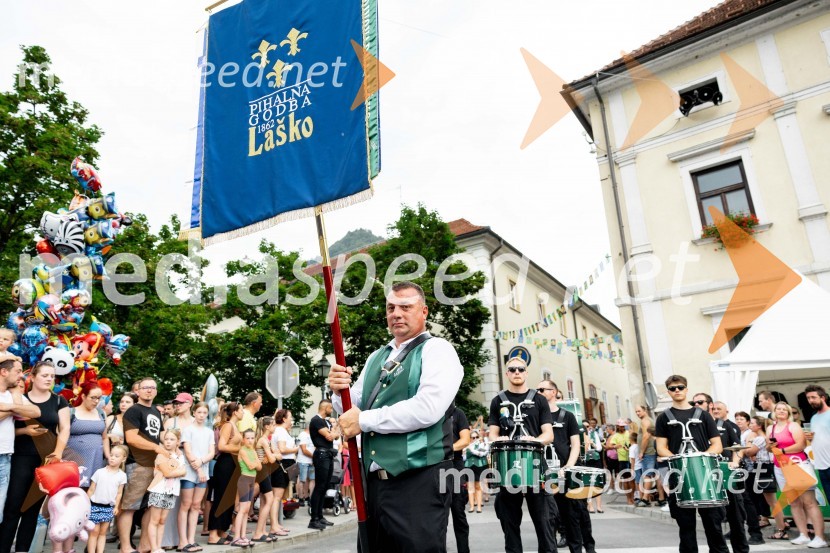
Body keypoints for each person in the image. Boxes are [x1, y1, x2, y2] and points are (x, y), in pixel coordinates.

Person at [328, 281, 463, 552]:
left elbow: (427, 408)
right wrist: (336, 389)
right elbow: (350, 407)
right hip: (376, 487)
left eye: (405, 307)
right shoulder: (377, 356)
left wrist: (364, 420)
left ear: (423, 311)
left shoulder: (438, 350)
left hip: (419, 482)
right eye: (391, 307)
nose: (396, 313)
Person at [0, 360, 69, 553]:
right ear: (33, 377)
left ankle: (23, 550)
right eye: (45, 375)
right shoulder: (20, 398)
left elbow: (64, 429)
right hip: (21, 457)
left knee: (32, 509)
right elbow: (9, 429)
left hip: (46, 459)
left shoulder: (58, 400)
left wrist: (58, 452)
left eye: (52, 376)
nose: (49, 379)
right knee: (13, 507)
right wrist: (25, 432)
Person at [484, 361, 554, 553]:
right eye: (512, 369)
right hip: (507, 465)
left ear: (526, 372)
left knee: (544, 522)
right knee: (510, 523)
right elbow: (492, 434)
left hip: (535, 464)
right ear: (507, 373)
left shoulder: (539, 400)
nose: (517, 372)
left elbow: (548, 434)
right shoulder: (498, 400)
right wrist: (500, 439)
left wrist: (535, 440)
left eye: (520, 369)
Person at [654, 375, 727, 553]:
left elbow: (717, 445)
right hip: (679, 476)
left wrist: (700, 458)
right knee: (686, 527)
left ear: (686, 389)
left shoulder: (703, 415)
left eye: (680, 387)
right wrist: (680, 462)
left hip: (705, 475)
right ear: (668, 392)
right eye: (672, 388)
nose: (677, 390)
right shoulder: (664, 418)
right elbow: (661, 448)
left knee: (713, 525)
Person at [538, 379, 594, 553]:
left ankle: (587, 548)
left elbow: (576, 444)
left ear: (553, 392)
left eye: (542, 389)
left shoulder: (567, 416)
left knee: (577, 513)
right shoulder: (537, 417)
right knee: (552, 516)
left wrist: (568, 466)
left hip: (568, 470)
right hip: (547, 473)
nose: (538, 392)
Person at [767, 401, 824, 547]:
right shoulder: (770, 428)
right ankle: (803, 534)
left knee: (809, 502)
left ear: (788, 413)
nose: (781, 411)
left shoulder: (793, 426)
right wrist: (771, 447)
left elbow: (801, 445)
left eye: (784, 409)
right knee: (794, 502)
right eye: (778, 409)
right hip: (780, 467)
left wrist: (783, 451)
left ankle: (820, 537)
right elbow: (769, 448)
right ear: (774, 412)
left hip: (798, 465)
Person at [117, 377, 165, 553]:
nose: (149, 390)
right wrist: (155, 448)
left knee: (150, 508)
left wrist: (172, 449)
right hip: (137, 464)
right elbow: (132, 438)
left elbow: (160, 435)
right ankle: (126, 548)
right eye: (146, 388)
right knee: (129, 507)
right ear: (137, 391)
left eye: (153, 388)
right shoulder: (133, 411)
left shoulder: (156, 411)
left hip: (156, 467)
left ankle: (144, 546)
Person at [708, 399, 752, 550]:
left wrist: (735, 462)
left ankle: (743, 546)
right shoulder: (698, 426)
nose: (715, 411)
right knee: (714, 516)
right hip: (709, 475)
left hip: (728, 472)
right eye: (714, 409)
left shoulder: (728, 426)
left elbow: (737, 447)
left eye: (718, 408)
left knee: (737, 513)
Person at [0, 358, 39, 524]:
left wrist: (9, 406)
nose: (21, 376)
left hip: (5, 457)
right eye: (17, 371)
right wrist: (15, 410)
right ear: (4, 372)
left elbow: (35, 412)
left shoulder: (12, 395)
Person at [179, 402, 215, 552]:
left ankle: (191, 540)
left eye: (204, 413)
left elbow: (211, 452)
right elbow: (188, 452)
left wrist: (201, 464)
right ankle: (183, 541)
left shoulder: (209, 432)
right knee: (185, 505)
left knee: (195, 506)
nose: (201, 415)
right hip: (190, 472)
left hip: (203, 471)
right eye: (199, 412)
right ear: (194, 413)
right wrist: (198, 469)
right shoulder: (188, 430)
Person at [207, 402, 242, 545]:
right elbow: (221, 446)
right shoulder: (228, 426)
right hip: (225, 464)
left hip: (232, 464)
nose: (243, 413)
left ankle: (222, 530)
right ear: (235, 412)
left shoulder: (234, 426)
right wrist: (238, 448)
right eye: (241, 410)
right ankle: (213, 534)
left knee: (228, 500)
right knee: (221, 498)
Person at [146, 429, 187, 553]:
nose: (168, 442)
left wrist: (180, 472)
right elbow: (168, 473)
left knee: (162, 520)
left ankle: (159, 546)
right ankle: (153, 548)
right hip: (159, 490)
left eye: (172, 439)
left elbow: (184, 471)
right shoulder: (161, 455)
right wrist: (179, 472)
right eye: (166, 439)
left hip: (171, 491)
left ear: (178, 442)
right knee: (154, 520)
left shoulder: (180, 455)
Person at [66, 382, 109, 490]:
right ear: (83, 396)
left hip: (96, 460)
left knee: (90, 491)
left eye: (99, 398)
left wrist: (108, 456)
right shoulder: (71, 412)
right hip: (74, 460)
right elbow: (62, 436)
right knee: (71, 490)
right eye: (93, 398)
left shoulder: (101, 413)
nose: (96, 401)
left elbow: (105, 437)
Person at [87, 444, 128, 553]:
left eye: (117, 456)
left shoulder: (122, 476)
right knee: (94, 532)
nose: (113, 457)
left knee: (103, 532)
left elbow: (119, 493)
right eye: (111, 455)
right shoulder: (99, 472)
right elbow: (91, 490)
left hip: (108, 508)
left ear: (123, 459)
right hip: (95, 506)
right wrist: (85, 503)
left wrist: (116, 506)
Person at [308, 399, 339, 530]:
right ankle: (314, 518)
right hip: (321, 455)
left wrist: (334, 432)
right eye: (330, 408)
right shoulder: (316, 420)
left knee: (325, 485)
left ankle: (320, 516)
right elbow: (331, 437)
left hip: (328, 454)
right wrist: (336, 429)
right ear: (325, 407)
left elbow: (335, 437)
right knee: (320, 486)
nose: (331, 411)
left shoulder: (325, 421)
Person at [804, 384, 830, 523]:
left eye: (814, 397)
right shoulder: (814, 418)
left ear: (823, 398)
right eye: (808, 398)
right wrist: (810, 438)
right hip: (822, 465)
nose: (811, 401)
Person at [269, 409, 296, 538]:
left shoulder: (281, 430)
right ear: (284, 419)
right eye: (290, 417)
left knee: (278, 497)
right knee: (276, 497)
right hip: (282, 465)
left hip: (285, 464)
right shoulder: (280, 431)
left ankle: (276, 524)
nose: (292, 419)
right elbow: (282, 449)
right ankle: (274, 525)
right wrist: (296, 449)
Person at [447, 405, 470, 553]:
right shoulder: (430, 412)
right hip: (433, 469)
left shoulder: (458, 413)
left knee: (458, 515)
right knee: (436, 519)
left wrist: (443, 449)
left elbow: (465, 440)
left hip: (455, 467)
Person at [252, 416, 278, 543]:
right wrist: (275, 455)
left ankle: (262, 531)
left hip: (264, 470)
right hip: (263, 471)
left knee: (264, 500)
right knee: (269, 499)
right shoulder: (263, 440)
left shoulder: (264, 439)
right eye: (273, 425)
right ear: (267, 426)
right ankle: (258, 533)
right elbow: (272, 459)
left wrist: (272, 455)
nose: (274, 427)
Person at [232, 429, 260, 547]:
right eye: (247, 438)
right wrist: (256, 463)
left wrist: (256, 464)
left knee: (247, 510)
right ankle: (236, 537)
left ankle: (243, 536)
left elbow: (259, 467)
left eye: (252, 438)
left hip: (252, 481)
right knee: (242, 510)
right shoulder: (243, 450)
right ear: (243, 439)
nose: (250, 440)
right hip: (244, 480)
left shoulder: (253, 451)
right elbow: (251, 465)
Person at [609, 419, 634, 505]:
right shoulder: (615, 435)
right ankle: (628, 498)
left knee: (632, 479)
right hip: (622, 459)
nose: (622, 427)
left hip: (631, 458)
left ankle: (633, 497)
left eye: (623, 426)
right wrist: (616, 446)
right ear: (618, 426)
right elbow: (610, 445)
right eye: (621, 426)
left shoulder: (629, 433)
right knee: (625, 480)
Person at [464, 430, 488, 513]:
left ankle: (479, 507)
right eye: (473, 437)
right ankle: (471, 507)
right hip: (468, 466)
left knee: (478, 487)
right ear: (470, 438)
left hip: (479, 466)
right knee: (470, 487)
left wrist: (472, 449)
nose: (475, 439)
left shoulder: (481, 445)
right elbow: (463, 457)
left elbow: (481, 454)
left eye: (476, 437)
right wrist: (464, 451)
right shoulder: (466, 445)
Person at [583, 420, 604, 514]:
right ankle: (590, 506)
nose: (588, 428)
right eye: (585, 427)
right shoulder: (579, 436)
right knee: (587, 484)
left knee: (597, 482)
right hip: (586, 460)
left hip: (595, 460)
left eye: (588, 426)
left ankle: (599, 506)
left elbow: (599, 448)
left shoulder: (594, 434)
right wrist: (586, 444)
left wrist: (592, 444)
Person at [295, 423, 314, 506]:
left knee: (312, 479)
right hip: (303, 461)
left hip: (311, 461)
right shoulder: (302, 435)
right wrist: (314, 456)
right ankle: (300, 497)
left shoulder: (312, 435)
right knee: (302, 480)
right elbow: (304, 450)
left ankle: (310, 497)